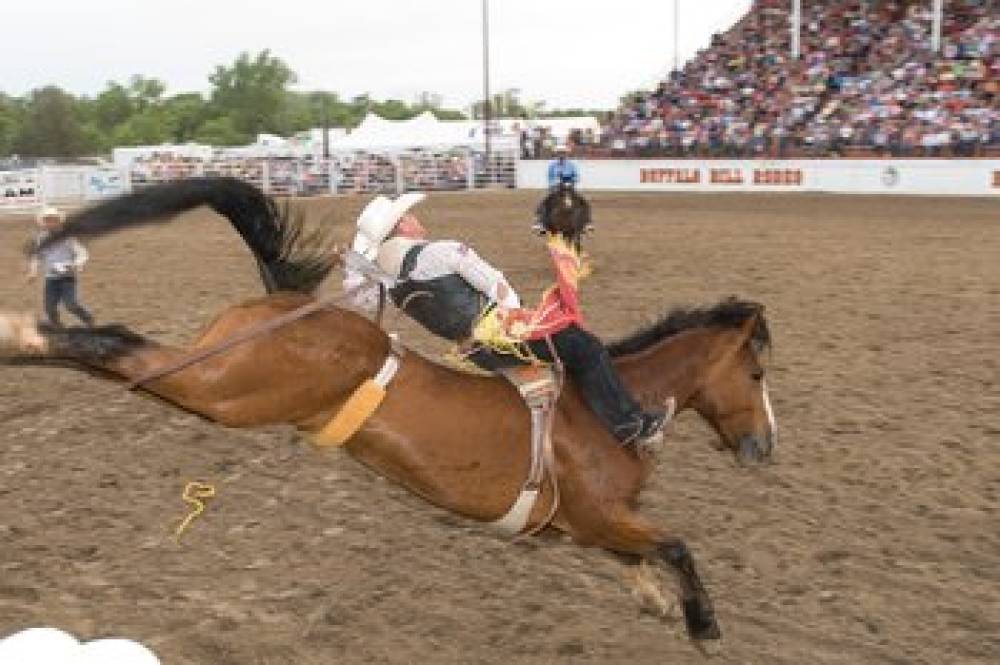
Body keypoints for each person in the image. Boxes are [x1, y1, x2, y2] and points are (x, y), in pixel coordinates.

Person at [344, 192, 666, 449]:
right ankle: (629, 424)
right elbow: (496, 284)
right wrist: (521, 319)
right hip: (502, 335)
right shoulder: (441, 252)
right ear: (402, 226)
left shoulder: (389, 282)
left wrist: (353, 266)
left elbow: (360, 298)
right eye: (410, 216)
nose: (417, 220)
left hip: (473, 354)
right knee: (586, 348)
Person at [27, 206, 95, 328]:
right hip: (51, 278)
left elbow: (81, 253)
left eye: (53, 220)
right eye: (47, 220)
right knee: (49, 308)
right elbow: (37, 256)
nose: (50, 223)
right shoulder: (41, 239)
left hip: (67, 277)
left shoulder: (68, 237)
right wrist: (33, 271)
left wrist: (78, 265)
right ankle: (57, 327)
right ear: (43, 222)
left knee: (71, 304)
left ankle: (87, 317)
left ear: (59, 221)